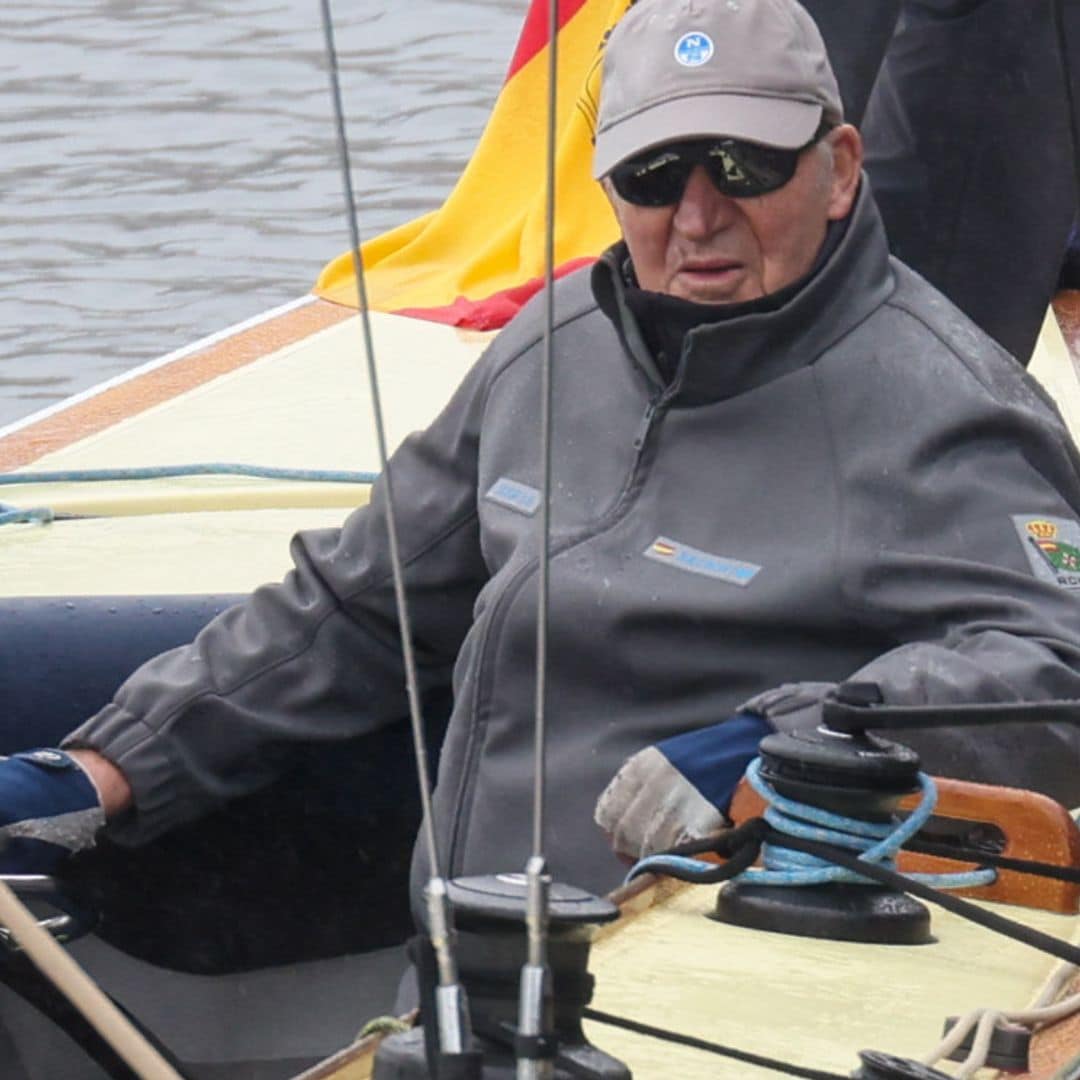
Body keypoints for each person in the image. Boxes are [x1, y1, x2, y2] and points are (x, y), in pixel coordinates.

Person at [6, 0, 1080, 909]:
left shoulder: (950, 411)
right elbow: (353, 608)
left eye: (744, 165)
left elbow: (1050, 672)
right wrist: (106, 766)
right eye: (654, 175)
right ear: (606, 183)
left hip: (712, 996)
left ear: (839, 168)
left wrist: (777, 751)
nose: (698, 215)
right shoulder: (552, 345)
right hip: (461, 987)